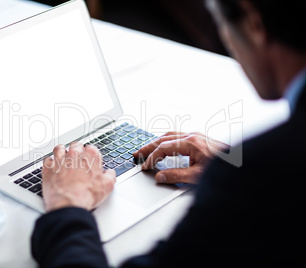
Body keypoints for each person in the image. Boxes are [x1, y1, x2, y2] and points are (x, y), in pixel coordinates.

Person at [31, 0, 306, 266]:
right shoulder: (262, 168)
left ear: (253, 23)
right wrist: (234, 161)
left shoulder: (256, 177)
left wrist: (67, 207)